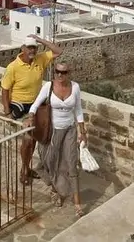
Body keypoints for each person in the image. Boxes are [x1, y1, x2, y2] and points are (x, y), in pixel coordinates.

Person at [26, 62, 88, 218]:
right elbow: (35, 105)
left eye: (64, 72)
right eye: (57, 72)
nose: (60, 75)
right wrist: (30, 117)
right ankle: (56, 189)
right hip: (53, 131)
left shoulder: (75, 87)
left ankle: (77, 203)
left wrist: (83, 131)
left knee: (71, 164)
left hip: (70, 130)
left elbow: (78, 110)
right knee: (51, 162)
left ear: (69, 73)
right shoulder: (48, 86)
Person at [0, 34, 63, 185]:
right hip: (20, 106)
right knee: (28, 140)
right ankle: (24, 170)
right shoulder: (13, 67)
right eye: (29, 47)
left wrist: (40, 40)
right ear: (22, 48)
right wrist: (7, 111)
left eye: (34, 47)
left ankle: (27, 168)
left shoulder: (40, 59)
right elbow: (5, 90)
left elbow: (58, 51)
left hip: (36, 105)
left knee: (34, 138)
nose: (32, 50)